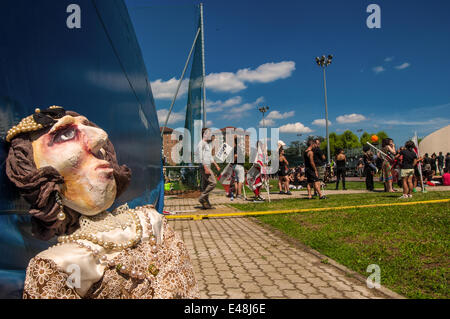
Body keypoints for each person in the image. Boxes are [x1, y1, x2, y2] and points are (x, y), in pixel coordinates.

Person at [5, 106, 198, 299]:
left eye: (88, 126)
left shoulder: (153, 223)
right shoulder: (56, 265)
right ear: (35, 171)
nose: (101, 136)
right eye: (65, 135)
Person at [197, 128, 221, 209]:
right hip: (205, 166)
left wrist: (216, 165)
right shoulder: (201, 144)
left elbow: (210, 157)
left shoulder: (206, 144)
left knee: (205, 185)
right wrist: (205, 168)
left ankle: (206, 204)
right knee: (213, 183)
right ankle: (201, 198)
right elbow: (200, 157)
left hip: (207, 166)